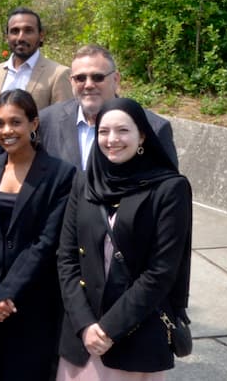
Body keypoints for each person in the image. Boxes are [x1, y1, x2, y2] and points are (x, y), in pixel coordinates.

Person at [56, 98, 192, 380]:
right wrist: (85, 324)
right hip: (82, 337)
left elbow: (162, 271)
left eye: (123, 131)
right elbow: (67, 258)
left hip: (134, 335)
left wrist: (108, 330)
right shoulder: (85, 182)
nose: (112, 139)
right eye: (103, 131)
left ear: (142, 135)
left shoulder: (169, 189)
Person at [0, 89, 76, 379]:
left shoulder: (61, 174)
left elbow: (46, 241)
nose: (6, 131)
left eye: (15, 122)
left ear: (34, 124)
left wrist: (7, 294)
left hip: (32, 300)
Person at [38, 45, 178, 170]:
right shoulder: (47, 121)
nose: (88, 85)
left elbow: (170, 191)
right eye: (80, 78)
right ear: (71, 81)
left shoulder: (153, 128)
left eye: (98, 77)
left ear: (116, 79)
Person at [0, 7, 72, 110]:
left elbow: (63, 120)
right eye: (15, 31)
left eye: (28, 31)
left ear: (41, 36)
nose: (21, 37)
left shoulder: (59, 74)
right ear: (7, 37)